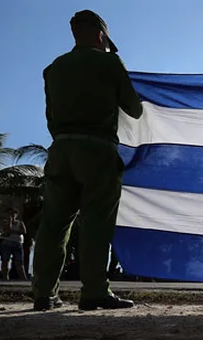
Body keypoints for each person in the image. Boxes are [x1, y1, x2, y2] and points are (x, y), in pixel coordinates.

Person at [31, 10, 143, 311]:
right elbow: (134, 109)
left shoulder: (54, 69)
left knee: (53, 224)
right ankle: (94, 291)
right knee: (96, 223)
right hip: (97, 151)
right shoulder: (109, 62)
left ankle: (44, 294)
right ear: (100, 35)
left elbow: (51, 119)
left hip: (60, 150)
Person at [0, 208, 27, 280]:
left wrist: (14, 232)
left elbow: (23, 231)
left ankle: (23, 279)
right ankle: (5, 278)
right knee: (5, 261)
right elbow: (8, 232)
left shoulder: (20, 223)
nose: (12, 215)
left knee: (19, 262)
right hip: (6, 243)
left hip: (17, 243)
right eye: (10, 213)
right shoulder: (4, 222)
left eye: (13, 213)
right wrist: (10, 222)